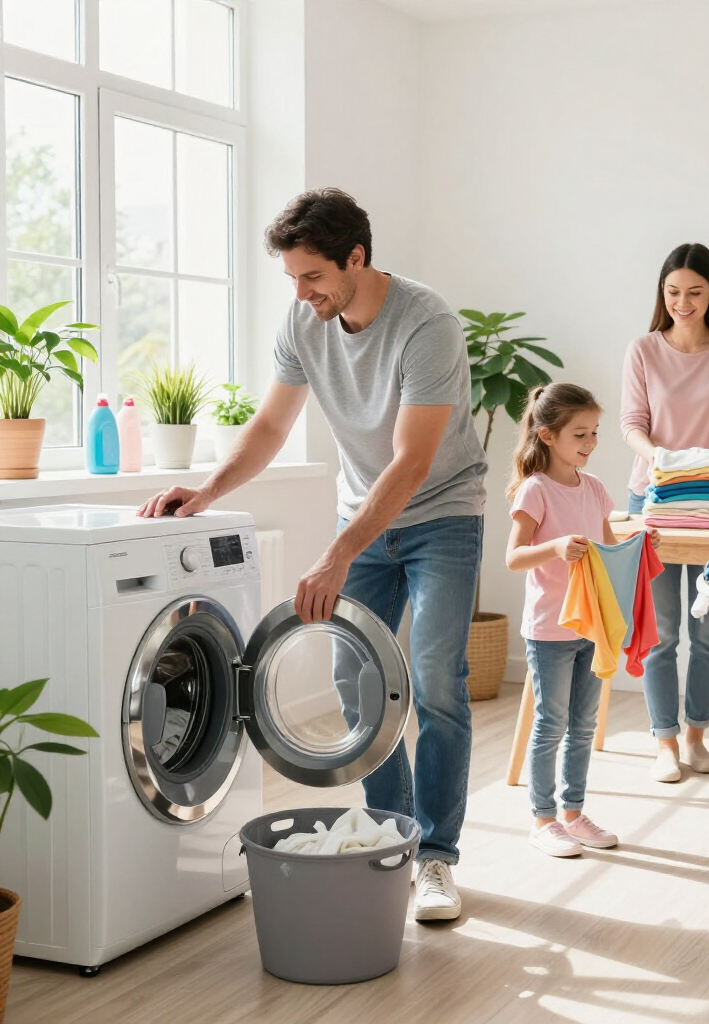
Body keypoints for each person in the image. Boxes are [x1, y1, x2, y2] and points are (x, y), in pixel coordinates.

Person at [138, 188, 487, 922]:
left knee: (436, 679)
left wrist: (334, 554)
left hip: (442, 516)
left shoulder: (429, 325)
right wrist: (205, 490)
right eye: (293, 278)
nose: (300, 293)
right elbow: (269, 425)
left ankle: (437, 859)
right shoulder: (305, 320)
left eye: (310, 277)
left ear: (355, 258)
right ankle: (391, 833)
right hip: (363, 514)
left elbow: (413, 461)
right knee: (358, 678)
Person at [620, 244, 709, 783]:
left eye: (694, 293)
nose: (683, 302)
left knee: (708, 631)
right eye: (673, 292)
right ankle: (664, 742)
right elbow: (633, 422)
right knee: (661, 631)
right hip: (651, 501)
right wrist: (662, 462)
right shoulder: (643, 350)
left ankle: (696, 735)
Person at [506, 384, 660, 857]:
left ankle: (573, 813)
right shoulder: (535, 490)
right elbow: (513, 557)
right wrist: (554, 547)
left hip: (590, 628)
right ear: (548, 436)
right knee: (550, 723)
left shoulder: (594, 489)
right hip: (551, 629)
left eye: (594, 433)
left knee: (583, 724)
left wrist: (641, 541)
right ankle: (543, 818)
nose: (590, 443)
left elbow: (609, 549)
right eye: (580, 434)